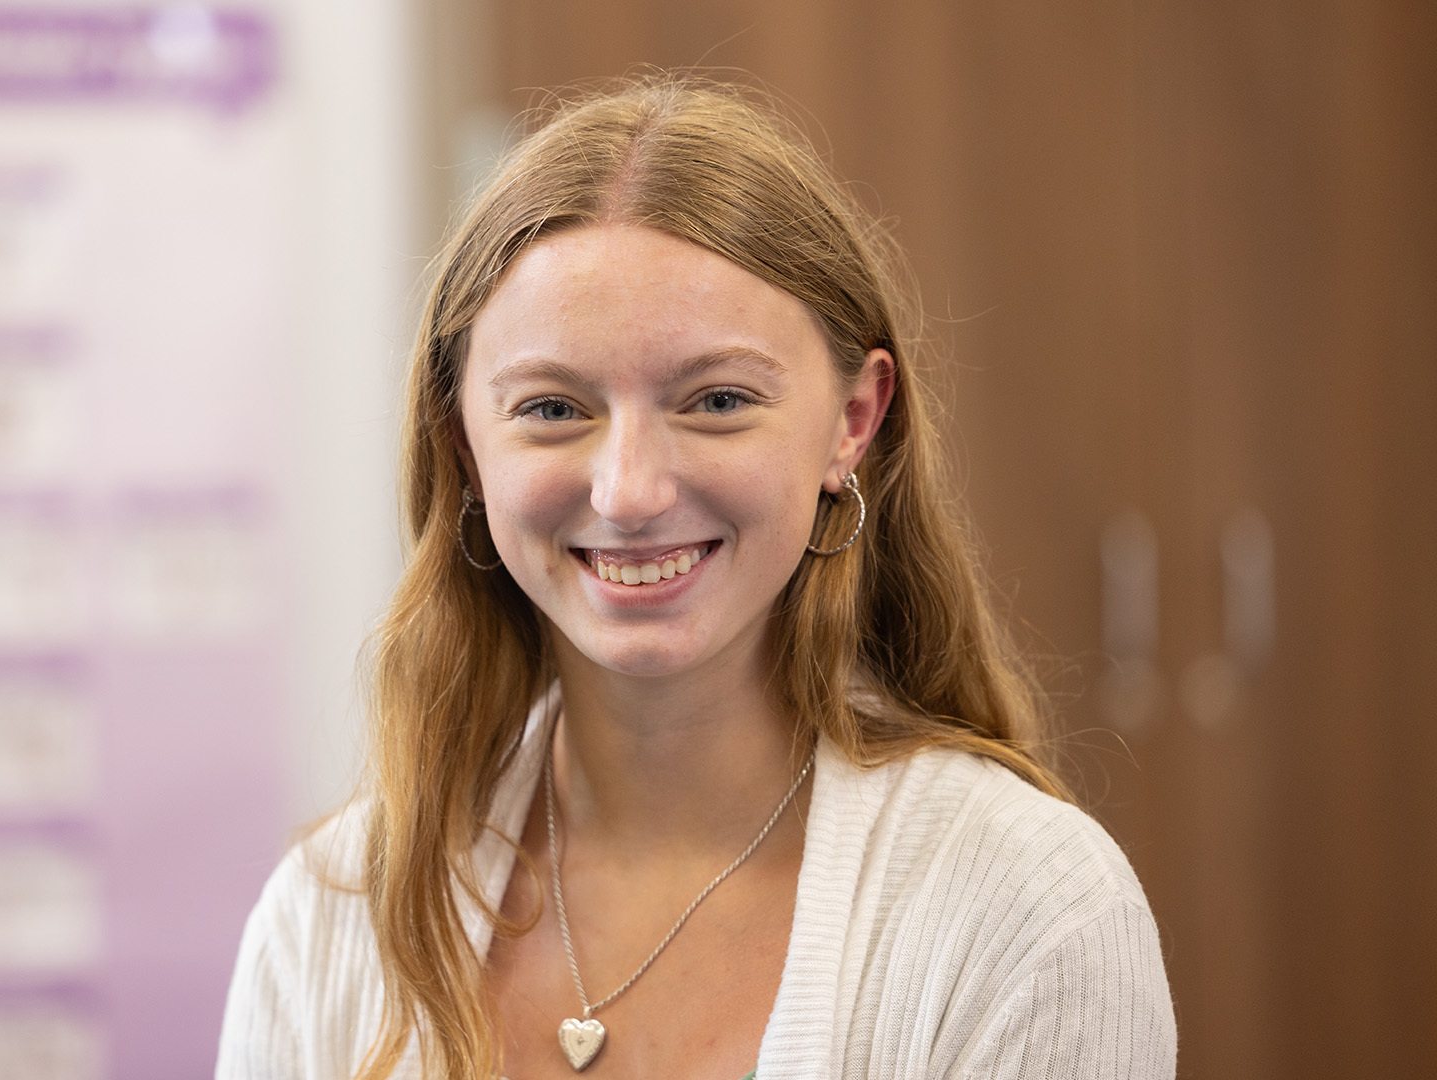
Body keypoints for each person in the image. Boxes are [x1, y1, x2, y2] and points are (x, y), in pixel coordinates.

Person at [216, 77, 1176, 1080]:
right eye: (552, 409)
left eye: (716, 399)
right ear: (463, 443)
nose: (628, 491)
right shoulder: (330, 922)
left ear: (852, 421)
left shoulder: (1025, 910)